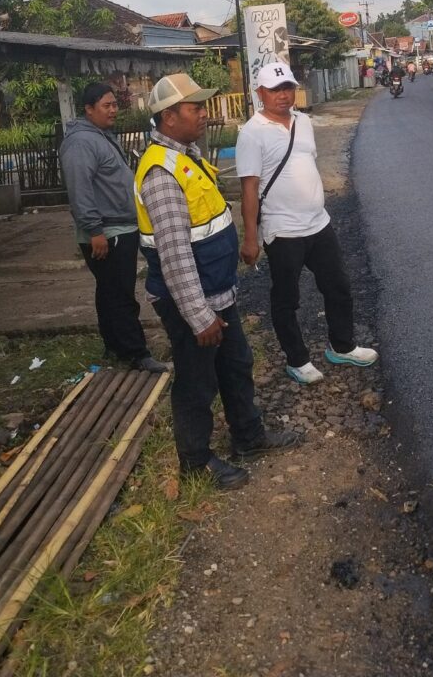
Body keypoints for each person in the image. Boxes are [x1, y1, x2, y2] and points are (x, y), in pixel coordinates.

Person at [135, 73, 299, 490]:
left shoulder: (186, 156)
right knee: (197, 382)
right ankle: (196, 462)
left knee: (236, 364)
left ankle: (248, 436)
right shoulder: (161, 173)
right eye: (196, 108)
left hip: (216, 292)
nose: (204, 115)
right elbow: (174, 256)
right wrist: (198, 316)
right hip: (192, 302)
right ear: (169, 117)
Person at [236, 62, 378, 385]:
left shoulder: (303, 122)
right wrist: (250, 238)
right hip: (283, 229)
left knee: (338, 286)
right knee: (287, 299)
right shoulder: (252, 133)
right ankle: (297, 359)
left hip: (318, 223)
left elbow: (307, 163)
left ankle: (342, 346)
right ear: (260, 93)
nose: (283, 95)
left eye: (287, 87)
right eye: (275, 90)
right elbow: (249, 189)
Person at [59, 82, 168, 373]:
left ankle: (115, 346)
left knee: (109, 291)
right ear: (89, 109)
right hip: (107, 231)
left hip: (118, 227)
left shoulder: (100, 135)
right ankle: (136, 353)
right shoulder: (81, 143)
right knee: (121, 294)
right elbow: (79, 189)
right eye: (106, 106)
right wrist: (94, 230)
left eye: (114, 105)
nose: (113, 110)